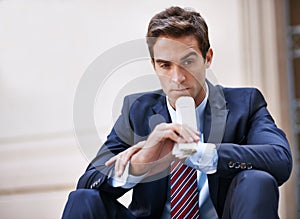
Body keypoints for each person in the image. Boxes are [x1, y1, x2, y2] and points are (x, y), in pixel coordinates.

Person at [62, 6, 292, 219]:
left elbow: (280, 159)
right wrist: (140, 163)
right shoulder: (137, 111)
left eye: (188, 62)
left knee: (257, 180)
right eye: (165, 65)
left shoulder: (245, 103)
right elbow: (88, 182)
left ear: (207, 58)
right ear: (154, 65)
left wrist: (203, 154)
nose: (178, 78)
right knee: (83, 198)